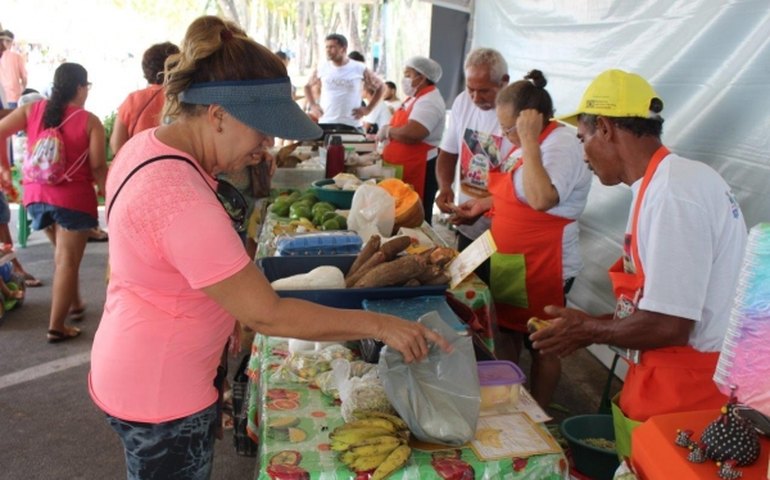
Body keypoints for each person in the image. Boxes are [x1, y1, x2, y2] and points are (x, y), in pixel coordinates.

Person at [88, 16, 450, 480]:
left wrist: (222, 312)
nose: (267, 147)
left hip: (136, 363)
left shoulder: (146, 148)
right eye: (261, 131)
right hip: (161, 392)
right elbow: (269, 314)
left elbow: (147, 259)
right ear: (217, 114)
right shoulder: (181, 198)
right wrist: (382, 325)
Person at [530, 69, 748, 457]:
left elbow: (670, 324)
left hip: (689, 390)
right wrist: (588, 321)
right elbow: (655, 301)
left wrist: (590, 332)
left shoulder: (673, 194)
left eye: (583, 139)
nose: (583, 153)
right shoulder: (663, 184)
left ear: (606, 128)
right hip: (670, 377)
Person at [453, 70, 592, 408]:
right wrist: (483, 205)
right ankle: (512, 400)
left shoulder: (560, 146)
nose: (506, 135)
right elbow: (517, 191)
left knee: (544, 344)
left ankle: (542, 412)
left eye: (509, 128)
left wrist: (529, 142)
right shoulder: (521, 146)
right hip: (513, 258)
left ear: (532, 120)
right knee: (510, 331)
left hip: (546, 263)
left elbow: (542, 197)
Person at [0, 62, 107, 342]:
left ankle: (75, 303)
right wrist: (108, 192)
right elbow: (97, 166)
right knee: (67, 262)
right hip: (72, 200)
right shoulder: (89, 120)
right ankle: (57, 326)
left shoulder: (32, 110)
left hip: (36, 197)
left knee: (63, 258)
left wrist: (3, 168)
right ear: (81, 87)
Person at [435, 48, 511, 251]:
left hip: (504, 230)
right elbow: (448, 152)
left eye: (484, 91)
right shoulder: (462, 102)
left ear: (504, 81)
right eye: (471, 89)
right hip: (469, 224)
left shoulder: (517, 111)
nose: (476, 98)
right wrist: (445, 186)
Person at [380, 56, 445, 222]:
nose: (404, 79)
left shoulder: (429, 101)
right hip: (404, 168)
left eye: (408, 74)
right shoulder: (415, 98)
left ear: (422, 77)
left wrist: (389, 131)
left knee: (415, 217)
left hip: (420, 169)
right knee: (401, 215)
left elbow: (413, 133)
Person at [109, 41, 180, 155]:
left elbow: (117, 146)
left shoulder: (132, 100)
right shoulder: (185, 97)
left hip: (141, 167)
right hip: (179, 167)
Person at [304, 33, 384, 131]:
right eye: (327, 47)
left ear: (343, 49)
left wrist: (368, 109)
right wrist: (313, 105)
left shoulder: (359, 68)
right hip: (326, 122)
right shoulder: (322, 68)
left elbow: (381, 87)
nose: (328, 50)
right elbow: (307, 86)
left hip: (351, 123)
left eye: (332, 47)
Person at [0, 30, 27, 108]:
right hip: (14, 97)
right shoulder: (17, 57)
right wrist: (21, 90)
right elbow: (24, 79)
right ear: (10, 42)